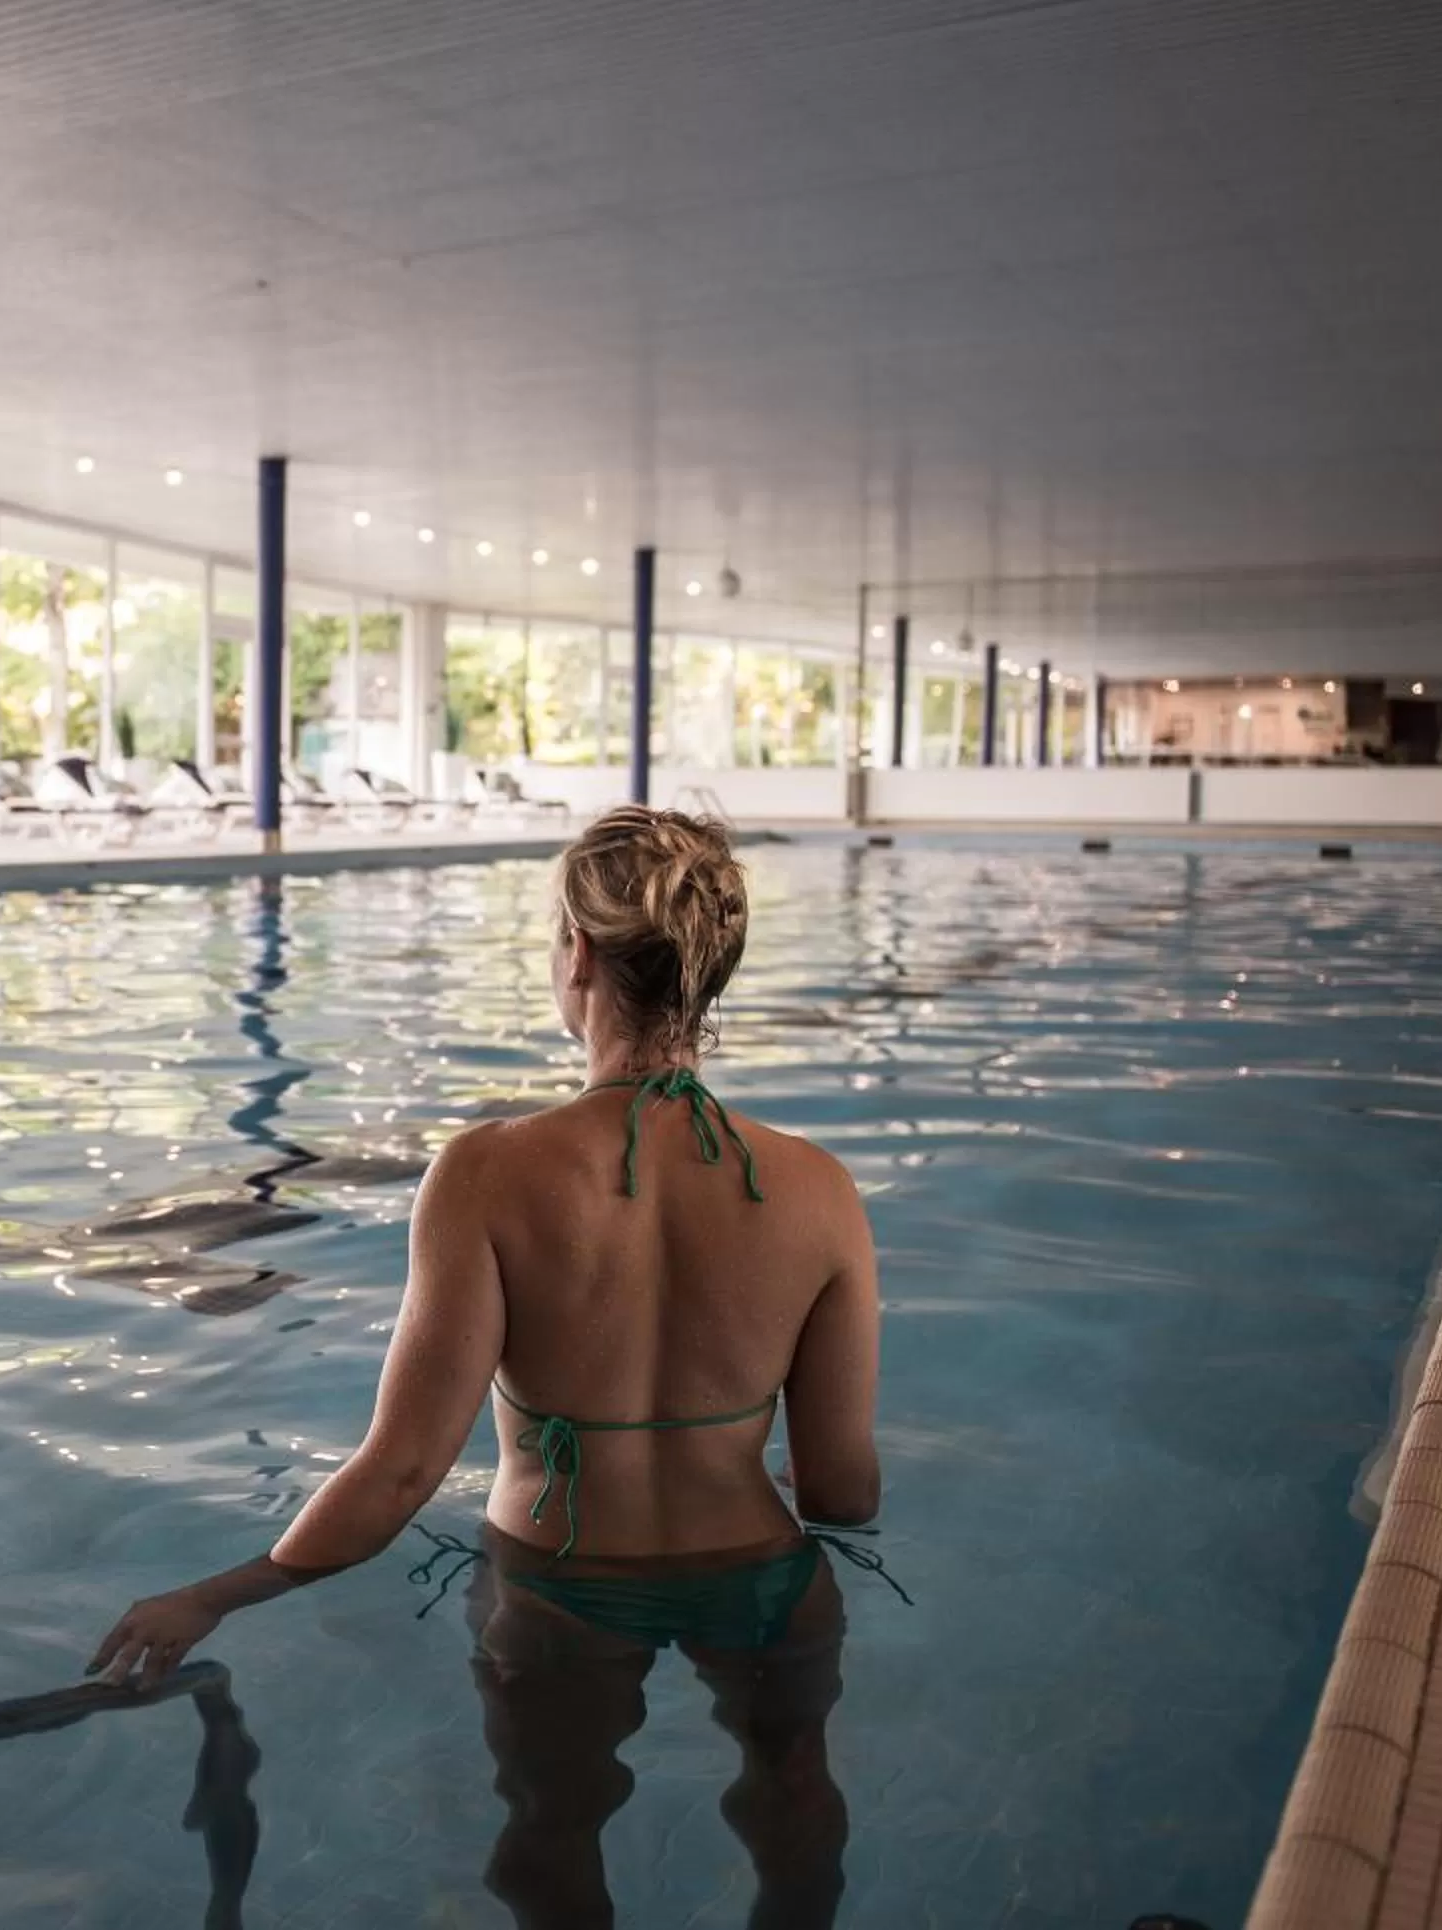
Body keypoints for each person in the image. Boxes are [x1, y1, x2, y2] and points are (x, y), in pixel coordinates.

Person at [89, 806, 883, 1928]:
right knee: (794, 1804)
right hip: (760, 1577)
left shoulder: (488, 1174)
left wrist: (219, 1592)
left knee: (551, 1835)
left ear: (578, 953)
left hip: (560, 1589)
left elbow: (402, 1473)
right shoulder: (817, 1188)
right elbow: (845, 1490)